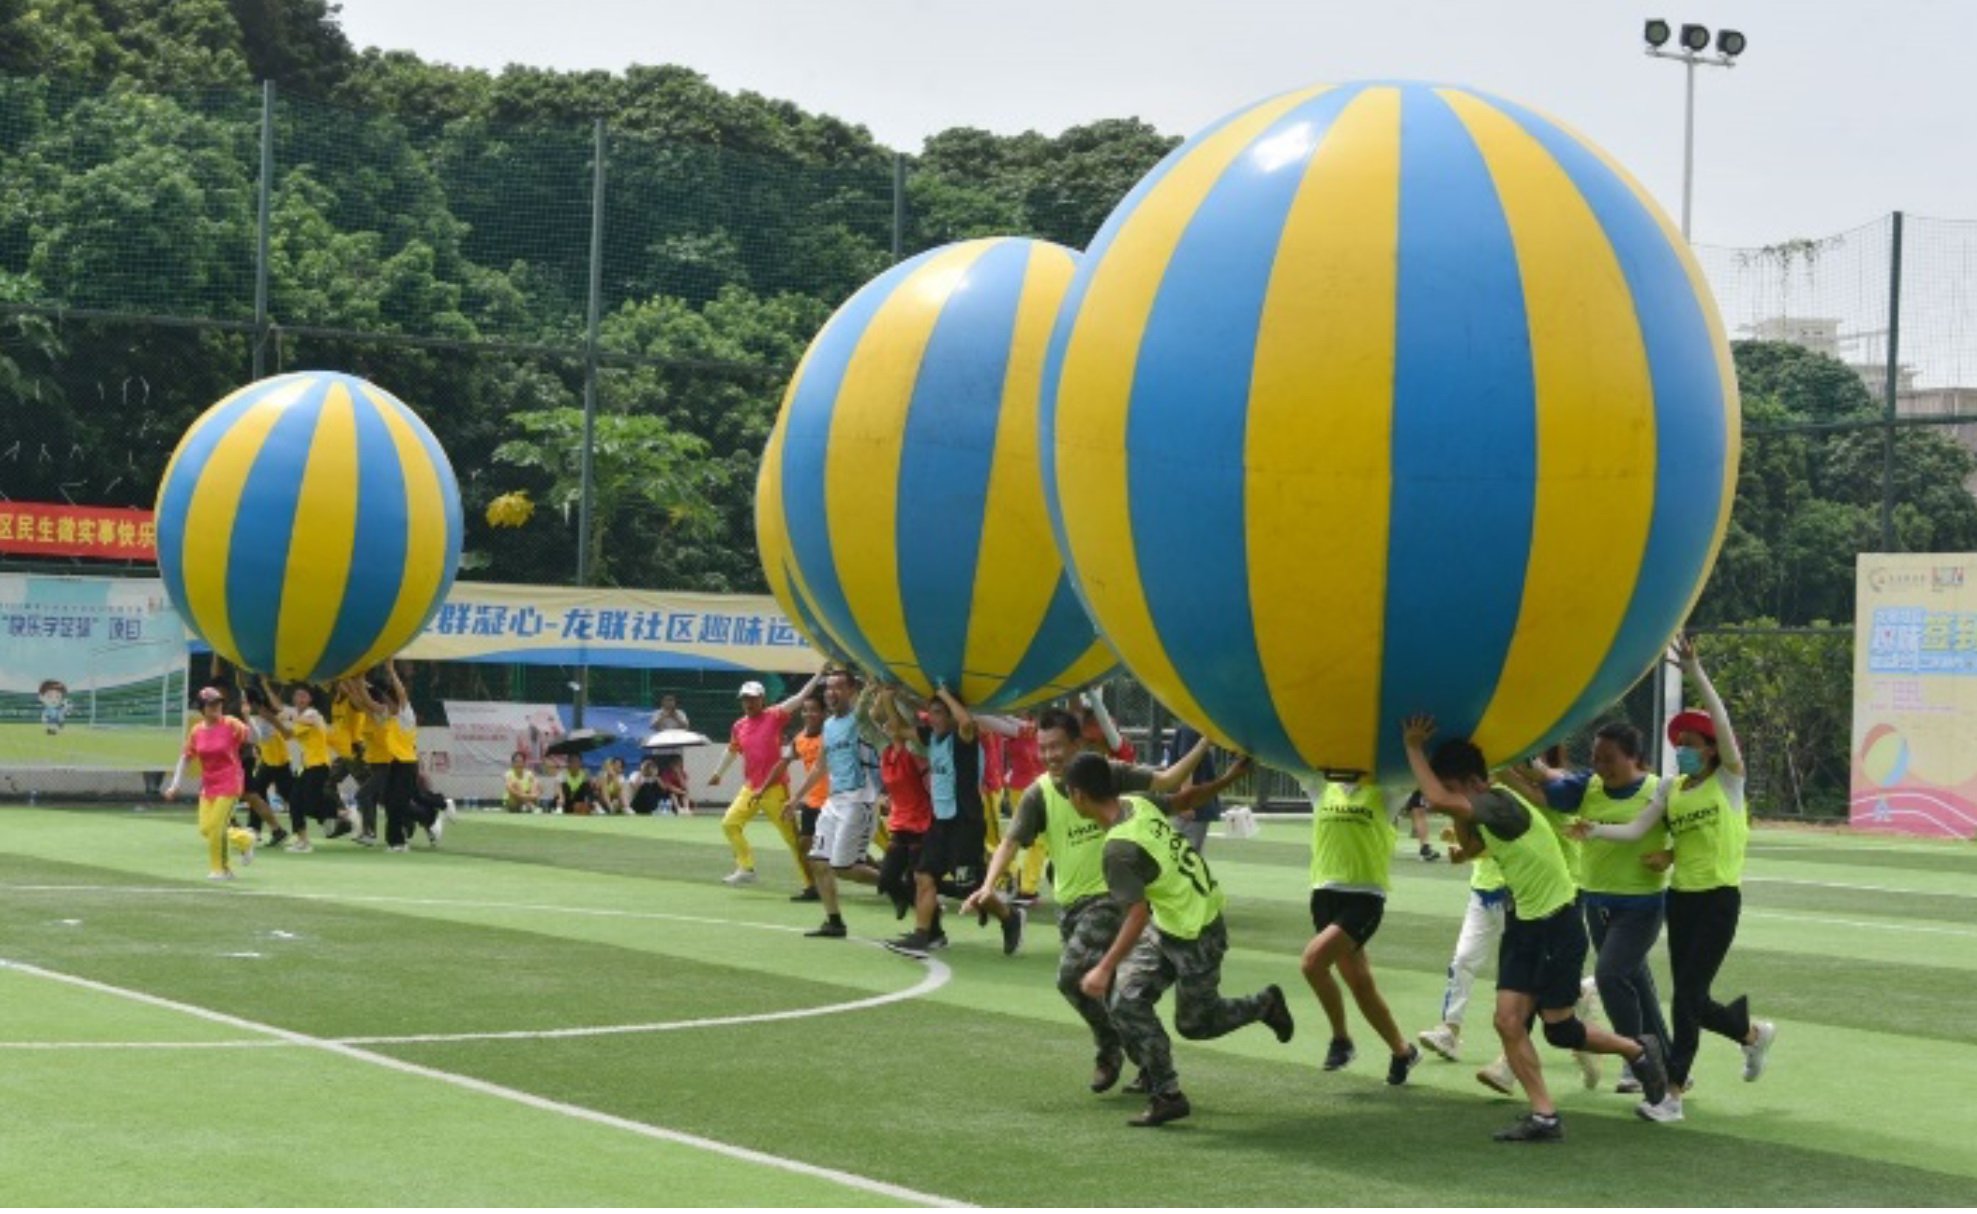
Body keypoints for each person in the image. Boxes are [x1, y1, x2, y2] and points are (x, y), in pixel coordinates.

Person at [1404, 716, 1669, 1143]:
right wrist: (1459, 816)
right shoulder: (1484, 805)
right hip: (1525, 923)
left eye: (1453, 788)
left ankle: (1637, 1049)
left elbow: (1435, 797)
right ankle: (1545, 1116)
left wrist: (1414, 747)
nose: (1443, 799)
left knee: (1560, 1029)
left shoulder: (1500, 801)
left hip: (1556, 925)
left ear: (1475, 781)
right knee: (1507, 1022)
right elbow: (1471, 848)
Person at [1574, 635, 1776, 1122]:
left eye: (1690, 744)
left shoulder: (1729, 780)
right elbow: (1639, 828)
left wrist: (1695, 673)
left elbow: (1724, 724)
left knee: (1685, 998)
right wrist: (1594, 829)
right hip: (1681, 901)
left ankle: (1672, 1094)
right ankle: (1751, 1035)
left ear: (1711, 750)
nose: (1682, 750)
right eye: (1679, 743)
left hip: (1718, 900)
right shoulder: (1672, 788)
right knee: (1692, 997)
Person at [963, 709, 1213, 1095]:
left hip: (1112, 898)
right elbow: (1011, 841)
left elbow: (1167, 781)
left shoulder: (1108, 774)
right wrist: (987, 884)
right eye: (1043, 748)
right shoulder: (1039, 793)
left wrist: (1206, 741)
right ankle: (1149, 1065)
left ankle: (1108, 1049)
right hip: (1071, 906)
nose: (1050, 756)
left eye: (1058, 747)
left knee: (1070, 977)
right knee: (1109, 992)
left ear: (1077, 744)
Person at [1068, 753, 1295, 1126]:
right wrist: (1227, 778)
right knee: (1125, 1001)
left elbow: (1136, 915)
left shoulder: (1118, 850)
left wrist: (1103, 968)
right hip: (1172, 921)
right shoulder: (1137, 803)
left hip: (1197, 930)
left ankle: (1264, 1005)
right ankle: (1166, 1093)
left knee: (1195, 1024)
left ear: (1078, 796)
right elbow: (1186, 799)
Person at [1525, 722, 1674, 1098]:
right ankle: (1669, 1062)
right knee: (1635, 980)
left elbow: (1693, 836)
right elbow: (1544, 795)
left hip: (1641, 904)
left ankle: (1636, 1057)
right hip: (1597, 901)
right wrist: (1506, 773)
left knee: (1610, 975)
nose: (1600, 765)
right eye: (1595, 758)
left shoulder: (1658, 790)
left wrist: (1670, 854)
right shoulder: (1587, 785)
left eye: (1609, 758)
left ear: (1633, 757)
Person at [1296, 773, 1422, 1084]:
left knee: (1313, 964)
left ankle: (1342, 1040)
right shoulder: (1320, 787)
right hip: (1323, 895)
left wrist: (1413, 744)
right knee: (1360, 983)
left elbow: (1415, 774)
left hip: (1364, 898)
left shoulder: (1386, 791)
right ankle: (1403, 1052)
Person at [883, 683, 1024, 958]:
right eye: (931, 712)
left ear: (951, 716)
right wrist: (889, 699)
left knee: (969, 887)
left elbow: (967, 721)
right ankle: (923, 936)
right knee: (923, 877)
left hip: (966, 824)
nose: (932, 718)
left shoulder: (964, 740)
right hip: (940, 822)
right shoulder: (931, 736)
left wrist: (944, 691)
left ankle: (1010, 915)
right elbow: (897, 730)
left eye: (939, 713)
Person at [1416, 812, 1520, 1093]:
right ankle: (1450, 1031)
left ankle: (1579, 995)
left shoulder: (1515, 800)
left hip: (1517, 893)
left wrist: (1466, 849)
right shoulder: (1479, 799)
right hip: (1482, 891)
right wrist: (1461, 839)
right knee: (1463, 959)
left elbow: (1506, 841)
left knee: (1528, 976)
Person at [788, 670, 882, 938]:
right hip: (834, 800)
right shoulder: (829, 725)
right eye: (828, 687)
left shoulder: (861, 719)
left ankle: (898, 885)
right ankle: (834, 921)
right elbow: (820, 766)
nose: (831, 692)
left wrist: (873, 684)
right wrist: (796, 798)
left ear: (852, 691)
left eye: (839, 687)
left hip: (858, 800)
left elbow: (870, 704)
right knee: (818, 861)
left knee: (844, 867)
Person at [708, 672, 824, 887]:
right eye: (744, 699)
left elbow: (799, 698)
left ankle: (811, 884)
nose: (748, 703)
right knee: (730, 824)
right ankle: (746, 868)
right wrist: (718, 774)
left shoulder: (774, 715)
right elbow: (732, 750)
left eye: (752, 698)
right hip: (751, 787)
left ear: (762, 698)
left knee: (792, 838)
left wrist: (818, 675)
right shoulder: (739, 726)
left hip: (775, 788)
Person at [163, 686, 259, 879]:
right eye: (211, 704)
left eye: (218, 703)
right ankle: (244, 839)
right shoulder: (197, 731)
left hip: (230, 781)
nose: (216, 707)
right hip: (209, 785)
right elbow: (186, 757)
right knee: (206, 829)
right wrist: (175, 784)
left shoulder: (231, 724)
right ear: (202, 708)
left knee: (217, 827)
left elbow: (255, 738)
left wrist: (248, 717)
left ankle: (221, 870)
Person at [767, 694, 830, 902]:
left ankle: (885, 877)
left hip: (834, 801)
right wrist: (763, 788)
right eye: (805, 710)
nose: (808, 714)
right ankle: (814, 887)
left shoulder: (832, 735)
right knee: (803, 845)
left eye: (813, 710)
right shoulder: (799, 739)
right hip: (812, 801)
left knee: (845, 855)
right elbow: (782, 763)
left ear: (823, 713)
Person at [1163, 722, 1225, 854]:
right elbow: (1187, 766)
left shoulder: (1193, 727)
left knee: (1182, 851)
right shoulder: (1191, 728)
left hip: (1194, 803)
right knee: (1186, 853)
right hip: (1193, 804)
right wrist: (1186, 803)